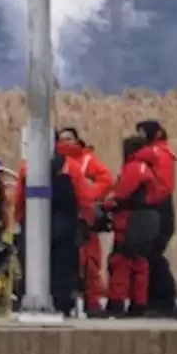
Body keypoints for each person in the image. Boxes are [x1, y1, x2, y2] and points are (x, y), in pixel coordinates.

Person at [13, 134, 98, 315]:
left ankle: (31, 300)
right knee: (62, 267)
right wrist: (87, 220)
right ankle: (61, 305)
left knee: (31, 265)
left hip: (33, 225)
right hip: (64, 225)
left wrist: (17, 219)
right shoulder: (71, 166)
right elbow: (83, 196)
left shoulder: (27, 168)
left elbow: (20, 198)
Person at [101, 135, 162, 316]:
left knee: (121, 261)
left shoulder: (134, 167)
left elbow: (121, 194)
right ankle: (139, 304)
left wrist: (105, 205)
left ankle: (117, 303)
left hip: (131, 220)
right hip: (149, 220)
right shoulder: (149, 167)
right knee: (140, 262)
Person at [56, 127, 114, 315]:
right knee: (64, 263)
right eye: (62, 139)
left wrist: (87, 196)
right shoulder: (53, 162)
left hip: (84, 220)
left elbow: (106, 181)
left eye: (69, 138)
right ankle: (65, 301)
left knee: (90, 263)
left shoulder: (87, 161)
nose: (65, 143)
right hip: (65, 219)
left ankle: (93, 302)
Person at [135, 120, 177, 313]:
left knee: (152, 255)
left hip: (157, 208)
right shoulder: (162, 153)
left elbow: (161, 188)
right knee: (151, 255)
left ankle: (162, 298)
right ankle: (158, 298)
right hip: (158, 208)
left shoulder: (157, 154)